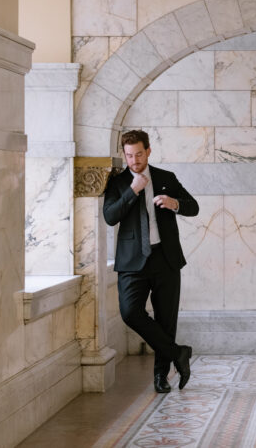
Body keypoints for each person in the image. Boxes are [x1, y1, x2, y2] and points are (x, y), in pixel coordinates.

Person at [103, 129, 199, 393]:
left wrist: (174, 203)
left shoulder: (166, 178)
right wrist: (132, 191)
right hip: (133, 261)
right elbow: (110, 216)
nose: (134, 160)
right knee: (130, 312)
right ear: (124, 155)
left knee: (166, 320)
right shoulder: (119, 182)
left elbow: (194, 206)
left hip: (165, 258)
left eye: (139, 154)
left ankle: (160, 377)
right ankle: (179, 353)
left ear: (148, 151)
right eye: (130, 155)